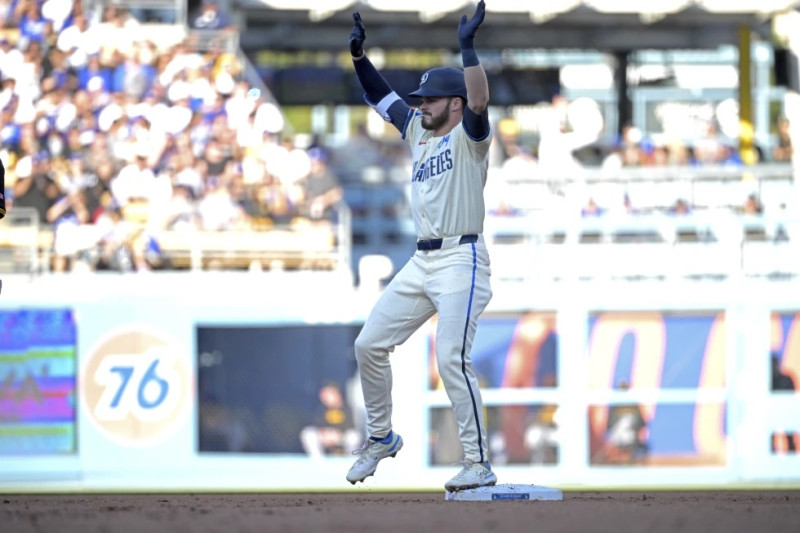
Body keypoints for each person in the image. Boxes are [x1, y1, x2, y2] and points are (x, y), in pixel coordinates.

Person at [344, 1, 497, 492]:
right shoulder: (418, 133)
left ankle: (476, 462)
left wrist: (468, 49)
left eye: (430, 100)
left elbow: (478, 103)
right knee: (369, 344)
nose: (420, 105)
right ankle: (380, 437)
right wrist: (360, 59)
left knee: (450, 356)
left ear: (451, 104)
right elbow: (381, 98)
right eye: (421, 100)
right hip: (421, 260)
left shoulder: (469, 138)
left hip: (461, 258)